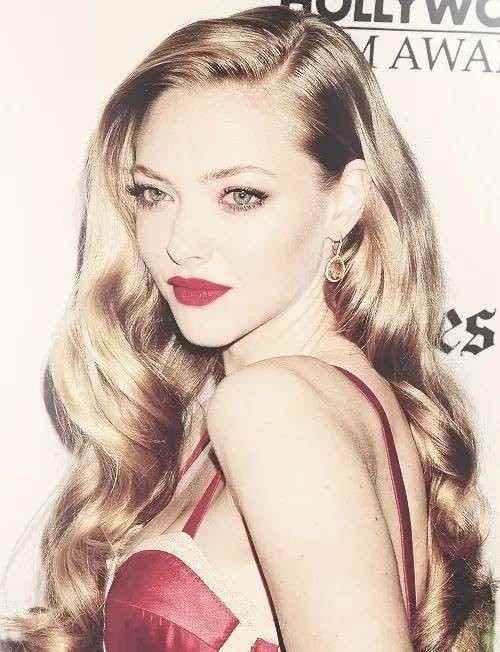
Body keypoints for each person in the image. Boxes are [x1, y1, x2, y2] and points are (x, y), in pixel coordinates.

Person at [1, 4, 496, 651]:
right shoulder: (334, 396)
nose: (181, 243)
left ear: (344, 201)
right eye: (154, 193)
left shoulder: (272, 405)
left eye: (240, 195)